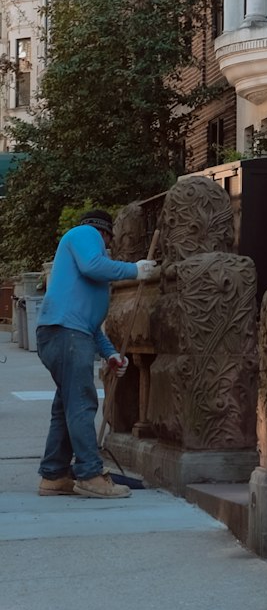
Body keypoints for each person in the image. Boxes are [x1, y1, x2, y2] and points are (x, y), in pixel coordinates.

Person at [35, 208, 158, 500]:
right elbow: (93, 265)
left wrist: (110, 353)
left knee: (65, 406)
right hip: (65, 333)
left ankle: (54, 474)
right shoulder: (83, 234)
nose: (107, 248)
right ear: (104, 233)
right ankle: (90, 474)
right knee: (81, 403)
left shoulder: (83, 278)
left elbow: (90, 327)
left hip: (66, 332)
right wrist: (134, 270)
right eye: (108, 242)